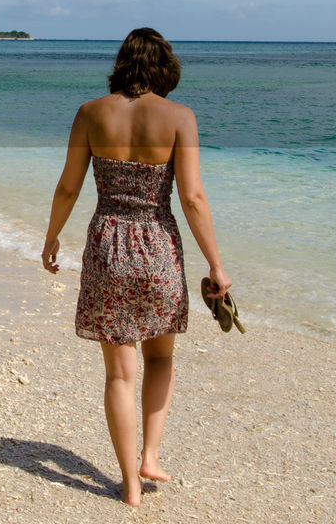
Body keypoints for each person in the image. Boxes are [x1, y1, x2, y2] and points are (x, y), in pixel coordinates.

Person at [42, 27, 232, 507]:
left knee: (119, 375)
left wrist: (51, 237)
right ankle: (150, 455)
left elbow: (68, 186)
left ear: (121, 63)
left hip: (108, 242)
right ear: (165, 68)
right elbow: (191, 197)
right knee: (161, 358)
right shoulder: (179, 118)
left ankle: (129, 486)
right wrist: (216, 264)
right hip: (158, 246)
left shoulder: (90, 113)